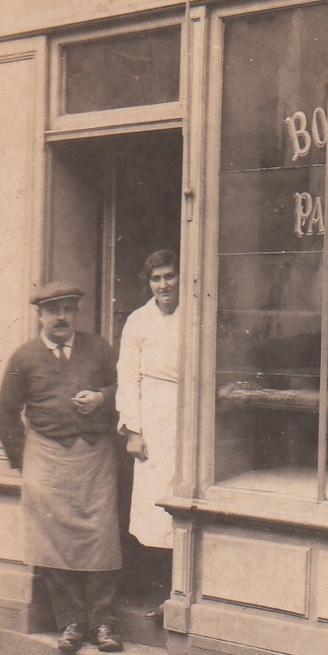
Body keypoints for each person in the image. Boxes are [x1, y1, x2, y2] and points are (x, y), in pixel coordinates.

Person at [0, 281, 123, 653]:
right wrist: (25, 463)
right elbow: (4, 414)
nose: (61, 317)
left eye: (68, 309)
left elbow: (128, 386)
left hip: (94, 456)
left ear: (77, 313)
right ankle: (70, 623)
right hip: (46, 459)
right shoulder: (25, 357)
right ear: (40, 315)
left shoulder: (98, 348)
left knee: (101, 539)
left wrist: (102, 397)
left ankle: (104, 625)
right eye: (53, 311)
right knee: (55, 543)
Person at [116, 251, 181, 611]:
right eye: (156, 279)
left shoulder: (195, 314)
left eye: (169, 276)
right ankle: (159, 591)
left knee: (184, 500)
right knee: (155, 508)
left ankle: (180, 594)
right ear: (149, 283)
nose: (164, 285)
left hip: (186, 416)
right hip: (152, 418)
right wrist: (134, 430)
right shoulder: (138, 321)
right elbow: (128, 376)